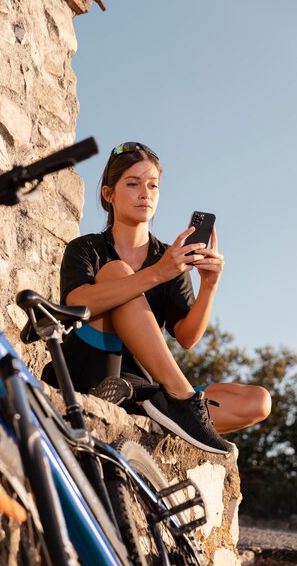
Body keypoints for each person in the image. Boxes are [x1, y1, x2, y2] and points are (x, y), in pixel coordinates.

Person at [42, 142, 271, 453]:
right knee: (117, 272)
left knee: (258, 401)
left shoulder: (168, 257)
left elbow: (187, 337)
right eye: (133, 184)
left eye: (152, 185)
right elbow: (76, 305)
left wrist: (209, 285)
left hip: (142, 389)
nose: (144, 193)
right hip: (86, 369)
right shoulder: (87, 248)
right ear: (109, 194)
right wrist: (157, 273)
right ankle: (182, 401)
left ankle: (160, 406)